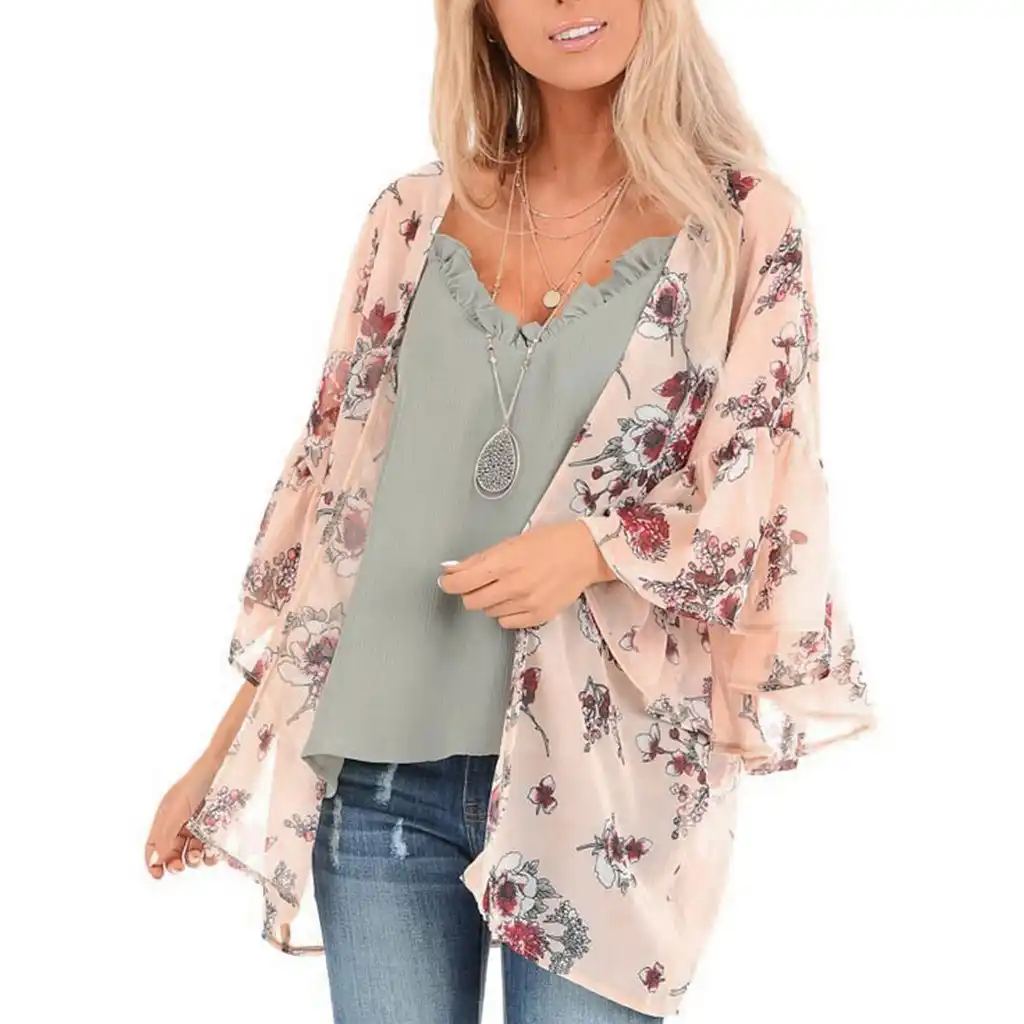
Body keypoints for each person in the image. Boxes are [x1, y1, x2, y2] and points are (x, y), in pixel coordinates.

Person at [144, 2, 876, 1021]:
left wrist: (594, 549)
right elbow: (336, 519)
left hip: (602, 785)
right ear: (482, 16)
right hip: (382, 773)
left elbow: (762, 505)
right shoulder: (410, 220)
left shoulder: (744, 225)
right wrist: (219, 756)